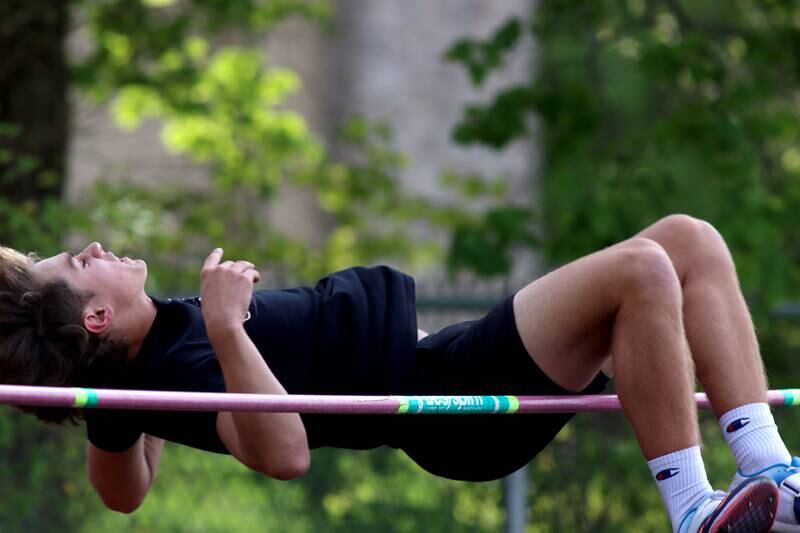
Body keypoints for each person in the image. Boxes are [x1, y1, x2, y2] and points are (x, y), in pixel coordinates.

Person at [0, 214, 797, 532]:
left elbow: (122, 489)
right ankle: (695, 510)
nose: (95, 247)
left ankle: (772, 474)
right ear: (94, 317)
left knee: (687, 244)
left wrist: (106, 399)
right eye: (79, 262)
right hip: (447, 398)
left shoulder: (157, 360)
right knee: (645, 270)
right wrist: (226, 325)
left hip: (452, 355)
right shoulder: (190, 351)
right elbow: (284, 454)